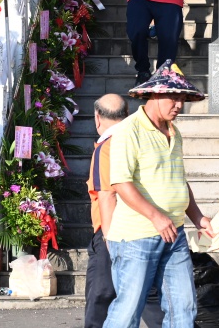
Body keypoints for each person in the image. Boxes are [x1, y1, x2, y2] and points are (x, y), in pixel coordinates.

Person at [103, 61, 214, 328]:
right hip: (136, 237)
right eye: (174, 97)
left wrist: (198, 217)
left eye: (183, 99)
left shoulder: (175, 133)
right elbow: (120, 183)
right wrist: (155, 217)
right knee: (128, 311)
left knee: (183, 307)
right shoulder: (128, 131)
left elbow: (179, 180)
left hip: (173, 233)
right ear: (155, 93)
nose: (179, 105)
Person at [84, 94, 128, 328]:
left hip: (111, 230)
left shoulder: (106, 147)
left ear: (97, 117)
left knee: (100, 298)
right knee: (153, 299)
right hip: (143, 228)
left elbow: (107, 194)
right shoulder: (136, 139)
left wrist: (109, 240)